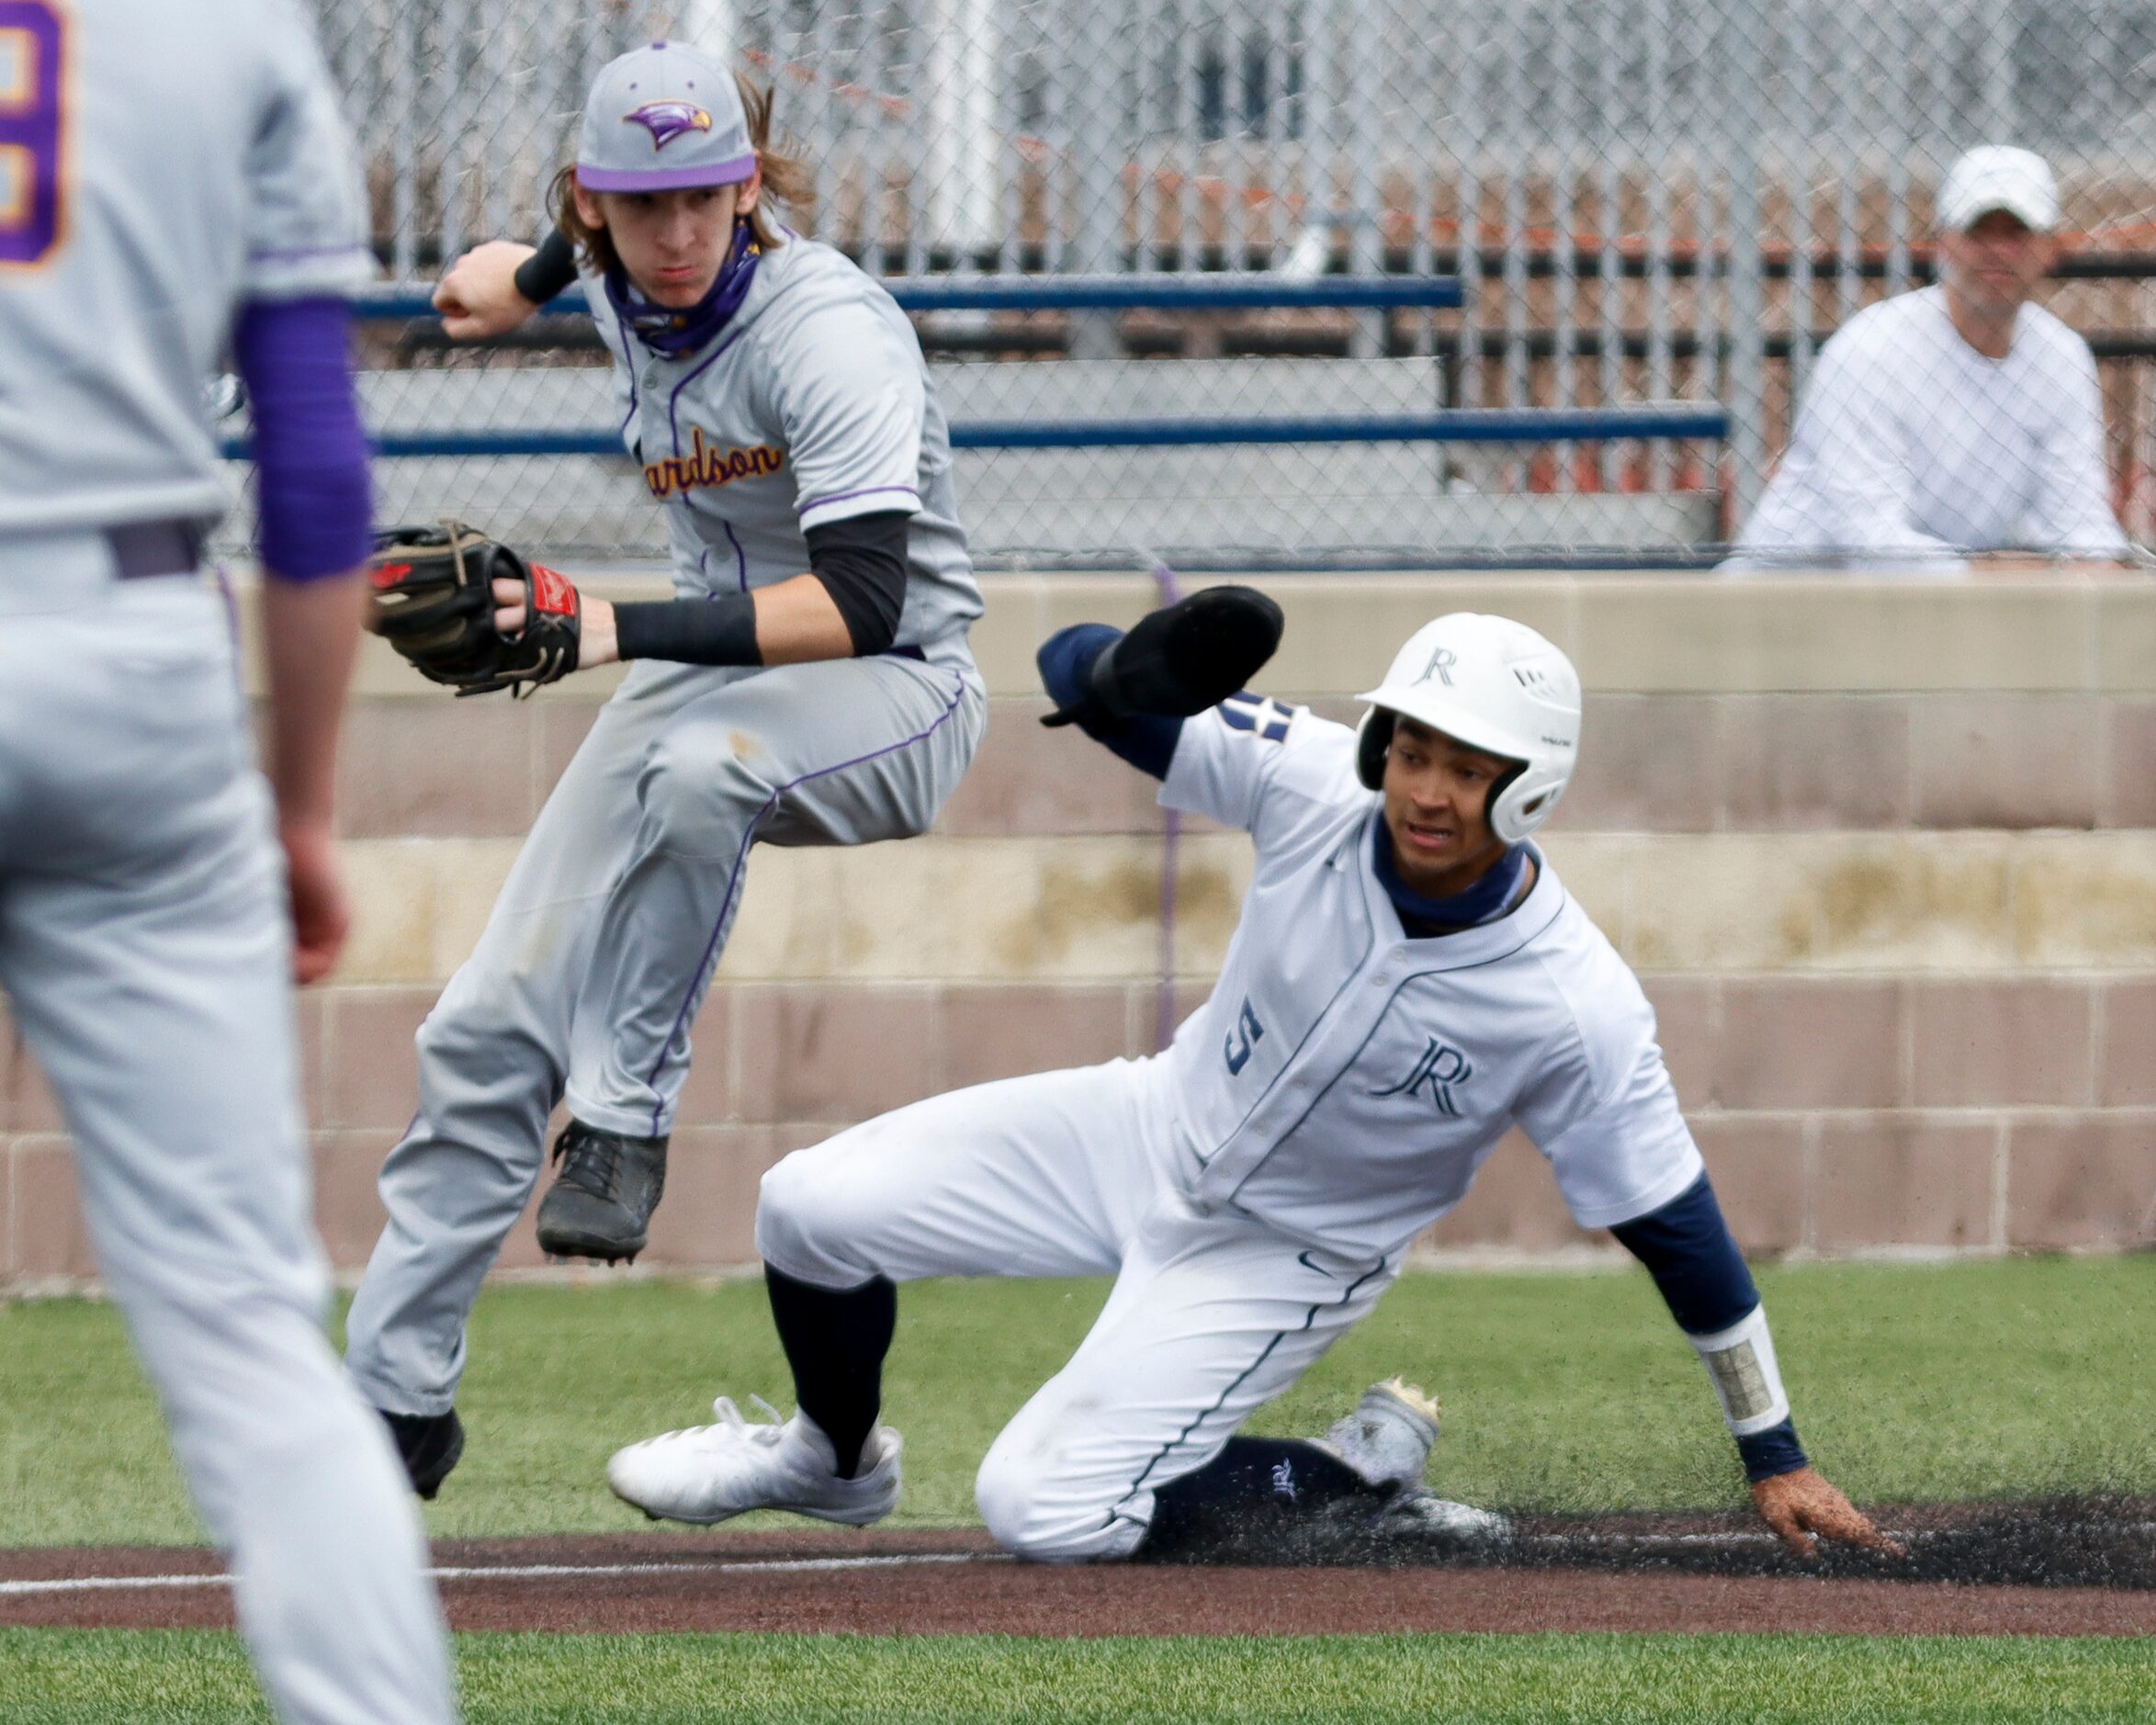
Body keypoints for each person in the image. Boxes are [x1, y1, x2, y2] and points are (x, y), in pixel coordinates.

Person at [602, 606, 1901, 1565]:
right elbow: (1071, 674)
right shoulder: (1315, 783)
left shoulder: (1570, 1003)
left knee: (1040, 1508)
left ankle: (1331, 1481)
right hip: (1144, 1125)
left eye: (1467, 767)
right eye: (1412, 749)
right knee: (807, 1203)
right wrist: (1123, 671)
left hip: (1283, 1253)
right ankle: (827, 1462)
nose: (1427, 791)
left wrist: (1769, 1447)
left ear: (1528, 787)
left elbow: (1673, 1223)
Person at [343, 41, 986, 1499]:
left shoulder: (826, 331)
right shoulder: (614, 258)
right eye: (645, 209)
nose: (680, 235)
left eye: (706, 197)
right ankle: (391, 1401)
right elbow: (581, 249)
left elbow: (865, 601)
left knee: (707, 762)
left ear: (748, 188)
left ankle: (625, 1117)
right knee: (488, 1022)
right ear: (593, 204)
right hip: (704, 678)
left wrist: (601, 626)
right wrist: (526, 279)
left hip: (892, 688)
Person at [0, 3, 455, 1719]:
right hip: (133, 645)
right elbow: (317, 464)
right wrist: (302, 805)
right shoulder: (230, 23)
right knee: (258, 1346)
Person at [1723, 145, 2129, 574]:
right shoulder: (1870, 350)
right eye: (1978, 232)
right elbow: (1867, 542)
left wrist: (2100, 570)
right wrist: (1996, 572)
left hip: (1928, 612)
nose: (1998, 250)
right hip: (1783, 606)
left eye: (2017, 233)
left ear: (2050, 248)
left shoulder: (2061, 357)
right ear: (1943, 242)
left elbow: (2082, 520)